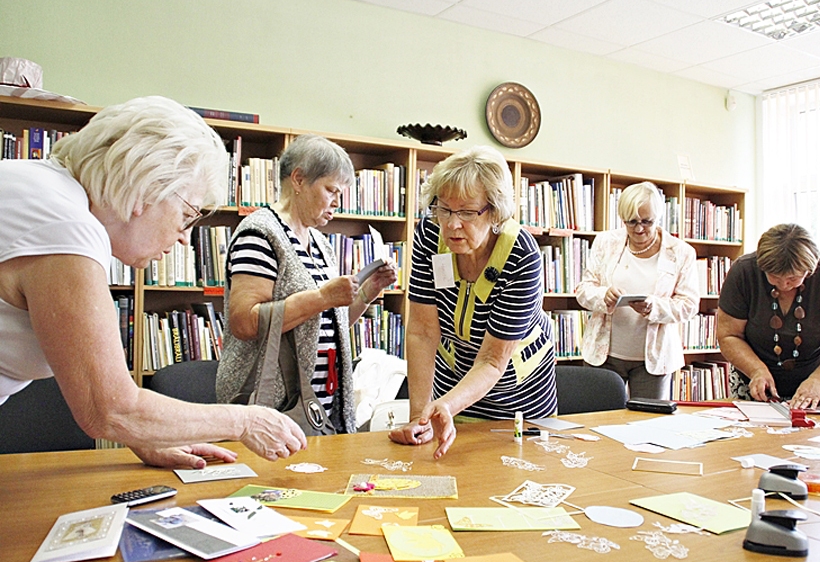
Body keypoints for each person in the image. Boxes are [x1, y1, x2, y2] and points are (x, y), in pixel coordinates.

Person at [0, 96, 307, 468]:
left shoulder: (34, 185)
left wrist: (146, 435)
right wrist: (245, 421)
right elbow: (110, 409)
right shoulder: (66, 228)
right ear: (147, 188)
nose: (184, 238)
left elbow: (84, 374)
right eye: (187, 214)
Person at [216, 134, 397, 432]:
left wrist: (367, 292)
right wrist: (323, 297)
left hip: (320, 406)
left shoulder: (320, 242)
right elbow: (245, 322)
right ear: (298, 179)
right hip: (273, 405)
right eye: (331, 190)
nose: (337, 202)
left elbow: (325, 324)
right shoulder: (259, 234)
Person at [389, 146, 557, 459]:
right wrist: (420, 418)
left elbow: (492, 361)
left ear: (494, 211)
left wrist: (445, 406)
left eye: (467, 212)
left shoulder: (522, 256)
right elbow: (422, 332)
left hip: (517, 396)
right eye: (444, 209)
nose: (452, 224)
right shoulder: (430, 235)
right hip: (453, 381)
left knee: (507, 471)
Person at [575, 181, 700, 399]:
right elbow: (583, 290)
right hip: (603, 356)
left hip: (654, 360)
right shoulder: (605, 242)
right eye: (631, 222)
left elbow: (689, 305)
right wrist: (603, 295)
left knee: (648, 418)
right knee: (599, 416)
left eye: (646, 221)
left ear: (658, 216)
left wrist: (655, 307)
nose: (639, 229)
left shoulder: (681, 252)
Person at [717, 223, 820, 409]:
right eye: (774, 277)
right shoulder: (743, 272)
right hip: (753, 384)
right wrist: (756, 370)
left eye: (793, 278)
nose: (783, 285)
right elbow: (729, 335)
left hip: (816, 385)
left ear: (810, 269)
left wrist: (818, 382)